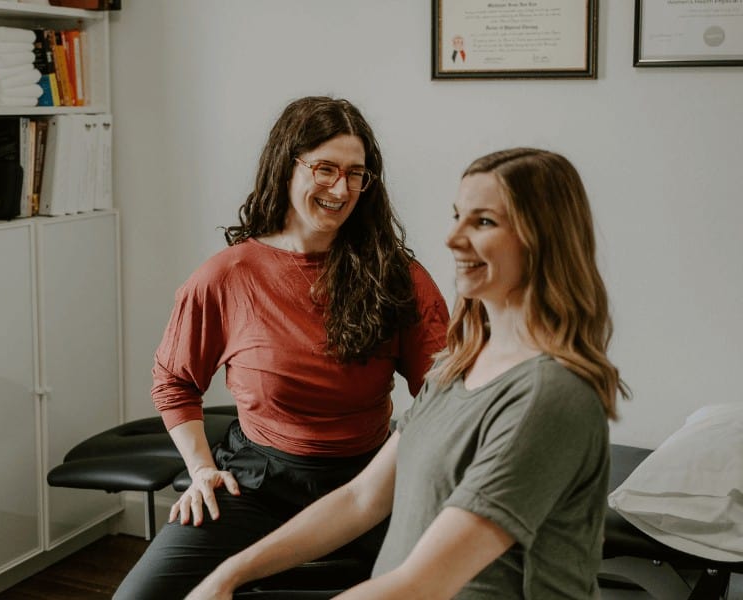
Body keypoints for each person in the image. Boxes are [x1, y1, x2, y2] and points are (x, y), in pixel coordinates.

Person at [185, 147, 630, 600]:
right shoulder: (459, 365)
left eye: (483, 222)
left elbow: (424, 583)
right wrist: (228, 576)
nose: (453, 239)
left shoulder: (549, 395)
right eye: (458, 216)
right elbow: (362, 500)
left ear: (543, 240)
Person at [113, 96, 450, 600]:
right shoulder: (227, 275)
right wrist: (203, 470)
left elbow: (445, 397)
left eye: (356, 174)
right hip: (257, 482)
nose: (341, 188)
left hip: (371, 481)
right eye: (325, 169)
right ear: (286, 165)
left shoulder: (399, 277)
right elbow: (175, 381)